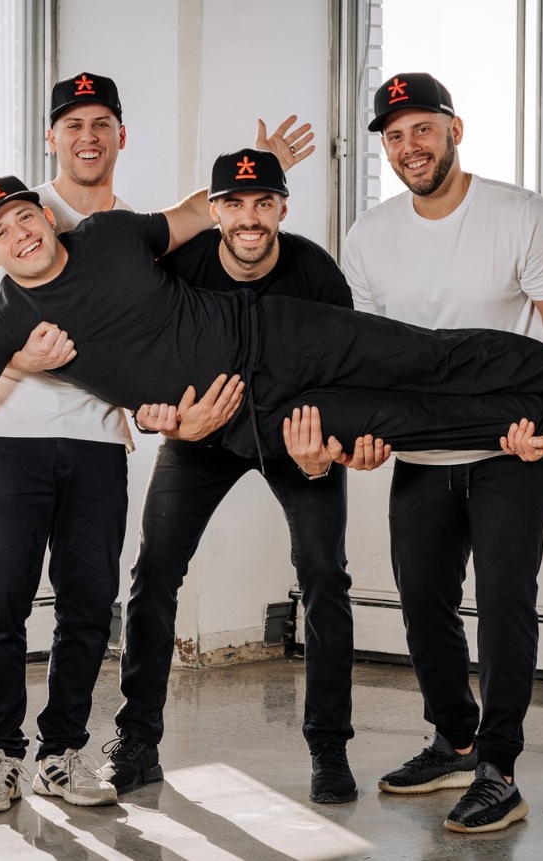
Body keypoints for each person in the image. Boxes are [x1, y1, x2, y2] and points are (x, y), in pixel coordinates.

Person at [0, 161, 543, 536]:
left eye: (23, 215)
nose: (20, 233)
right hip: (256, 412)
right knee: (405, 420)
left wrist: (257, 163)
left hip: (274, 328)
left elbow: (195, 213)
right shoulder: (6, 324)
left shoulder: (108, 234)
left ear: (43, 214)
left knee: (430, 356)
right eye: (0, 232)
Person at [335, 72, 543, 835]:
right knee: (422, 605)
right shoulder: (370, 236)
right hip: (423, 449)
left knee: (506, 604)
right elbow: (372, 357)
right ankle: (454, 737)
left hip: (510, 449)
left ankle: (497, 766)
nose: (410, 146)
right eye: (394, 135)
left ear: (456, 129)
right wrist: (364, 434)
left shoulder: (520, 216)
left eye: (423, 128)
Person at [99, 150, 390, 806]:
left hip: (296, 437)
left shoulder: (315, 272)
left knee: (324, 575)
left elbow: (349, 374)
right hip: (204, 435)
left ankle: (328, 744)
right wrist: (164, 422)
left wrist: (329, 451)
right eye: (235, 203)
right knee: (153, 572)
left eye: (265, 203)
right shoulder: (184, 264)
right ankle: (137, 740)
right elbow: (145, 362)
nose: (250, 218)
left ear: (283, 208)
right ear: (216, 208)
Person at [0, 72, 132, 813]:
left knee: (90, 603)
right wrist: (18, 363)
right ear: (52, 138)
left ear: (120, 133)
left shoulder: (127, 230)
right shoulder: (9, 222)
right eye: (72, 124)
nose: (86, 136)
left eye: (100, 122)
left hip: (97, 443)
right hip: (8, 439)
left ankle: (62, 753)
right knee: (2, 602)